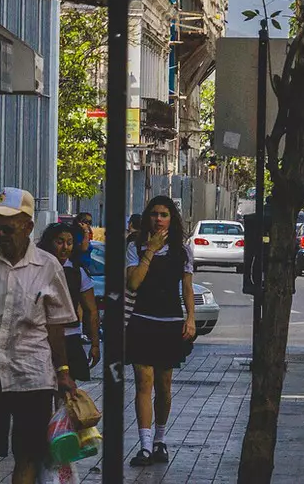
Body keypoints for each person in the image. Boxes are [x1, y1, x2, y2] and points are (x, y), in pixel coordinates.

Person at [0, 187, 76, 484]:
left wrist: (63, 370)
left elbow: (57, 323)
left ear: (28, 226)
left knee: (27, 452)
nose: (2, 234)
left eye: (10, 228)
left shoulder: (48, 266)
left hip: (33, 374)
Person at [125, 194, 197, 466]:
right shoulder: (136, 245)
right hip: (142, 320)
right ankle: (144, 445)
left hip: (169, 322)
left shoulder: (182, 250)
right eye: (154, 214)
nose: (158, 219)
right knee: (143, 382)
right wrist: (150, 251)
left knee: (164, 386)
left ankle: (160, 440)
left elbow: (187, 287)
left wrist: (190, 318)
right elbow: (133, 283)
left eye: (164, 214)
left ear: (172, 219)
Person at [39, 222, 99, 385]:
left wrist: (95, 344)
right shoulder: (39, 269)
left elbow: (91, 310)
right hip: (42, 336)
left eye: (70, 243)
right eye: (59, 242)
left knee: (67, 389)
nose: (65, 247)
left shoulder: (78, 272)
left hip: (70, 336)